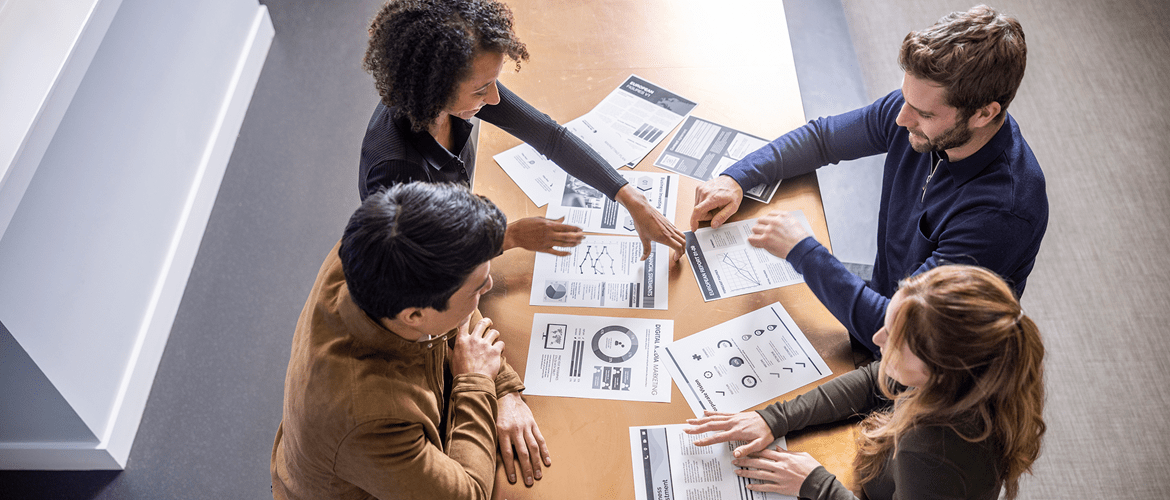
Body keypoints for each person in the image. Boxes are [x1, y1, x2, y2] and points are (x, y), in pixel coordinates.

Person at [689, 5, 1047, 355]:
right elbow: (823, 139)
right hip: (883, 296)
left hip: (923, 365)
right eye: (905, 97)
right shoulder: (920, 114)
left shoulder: (1000, 216)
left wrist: (803, 251)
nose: (902, 118)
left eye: (923, 113)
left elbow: (895, 331)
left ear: (984, 114)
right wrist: (736, 178)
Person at [271, 183, 550, 499]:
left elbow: (459, 321)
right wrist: (476, 384)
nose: (488, 286)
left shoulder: (379, 245)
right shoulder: (373, 416)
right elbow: (467, 495)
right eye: (476, 288)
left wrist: (504, 390)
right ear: (414, 316)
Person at [684, 264, 1046, 499]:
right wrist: (774, 417)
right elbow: (876, 378)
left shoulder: (931, 450)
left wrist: (816, 484)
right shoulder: (973, 378)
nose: (877, 340)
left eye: (894, 340)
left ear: (940, 370)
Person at [361, 0, 685, 260]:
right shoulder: (395, 172)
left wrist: (628, 196)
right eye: (481, 89)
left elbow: (549, 136)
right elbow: (427, 258)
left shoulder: (452, 92)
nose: (495, 98)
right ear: (433, 87)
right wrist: (511, 236)